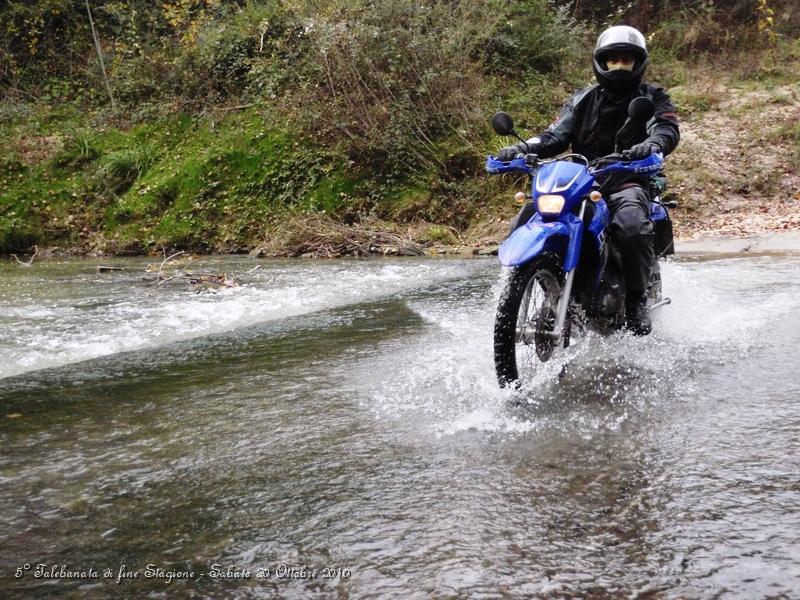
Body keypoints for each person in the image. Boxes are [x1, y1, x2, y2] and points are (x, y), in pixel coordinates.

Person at [496, 25, 680, 335]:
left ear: (638, 63)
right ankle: (539, 283)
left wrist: (653, 143)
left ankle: (636, 300)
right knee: (533, 213)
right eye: (613, 60)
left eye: (627, 60)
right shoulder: (583, 98)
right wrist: (522, 148)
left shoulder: (652, 97)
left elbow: (666, 128)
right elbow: (555, 135)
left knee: (631, 224)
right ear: (601, 62)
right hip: (584, 178)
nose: (619, 66)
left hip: (629, 177)